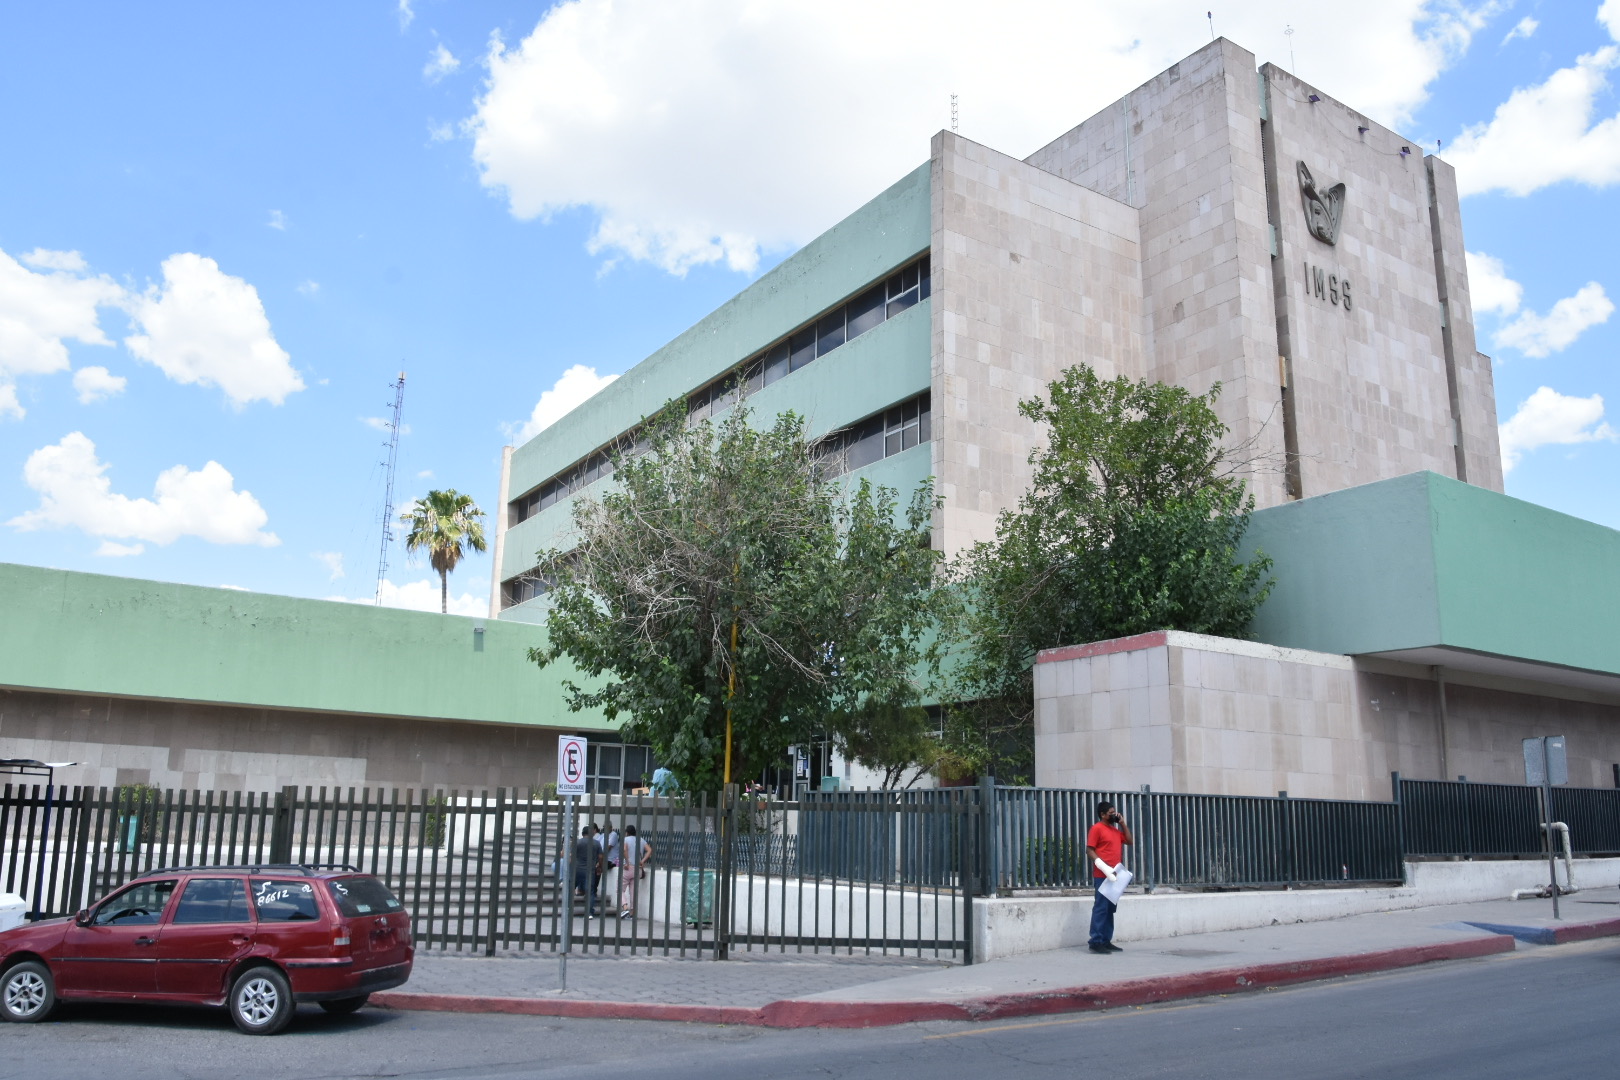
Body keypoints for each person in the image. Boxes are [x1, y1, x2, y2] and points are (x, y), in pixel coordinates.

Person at [1085, 800, 1134, 954]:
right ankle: (1096, 941)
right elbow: (1089, 850)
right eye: (1111, 813)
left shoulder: (1115, 831)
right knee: (1100, 907)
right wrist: (1103, 867)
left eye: (1115, 812)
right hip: (1102, 875)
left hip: (1116, 875)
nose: (1114, 815)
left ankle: (1106, 940)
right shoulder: (1097, 828)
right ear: (1102, 815)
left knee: (1110, 908)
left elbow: (1130, 841)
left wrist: (1123, 824)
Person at [617, 824, 653, 918]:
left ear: (627, 832)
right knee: (633, 891)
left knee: (620, 889)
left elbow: (624, 849)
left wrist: (627, 862)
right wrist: (642, 861)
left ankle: (625, 908)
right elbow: (649, 850)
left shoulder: (626, 840)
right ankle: (632, 913)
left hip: (628, 868)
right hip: (638, 869)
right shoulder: (641, 840)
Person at [572, 824, 603, 917]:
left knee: (571, 888)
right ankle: (589, 912)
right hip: (589, 870)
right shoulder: (596, 843)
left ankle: (568, 907)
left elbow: (571, 856)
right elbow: (601, 857)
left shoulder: (577, 842)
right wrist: (599, 866)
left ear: (582, 833)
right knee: (590, 892)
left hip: (576, 869)